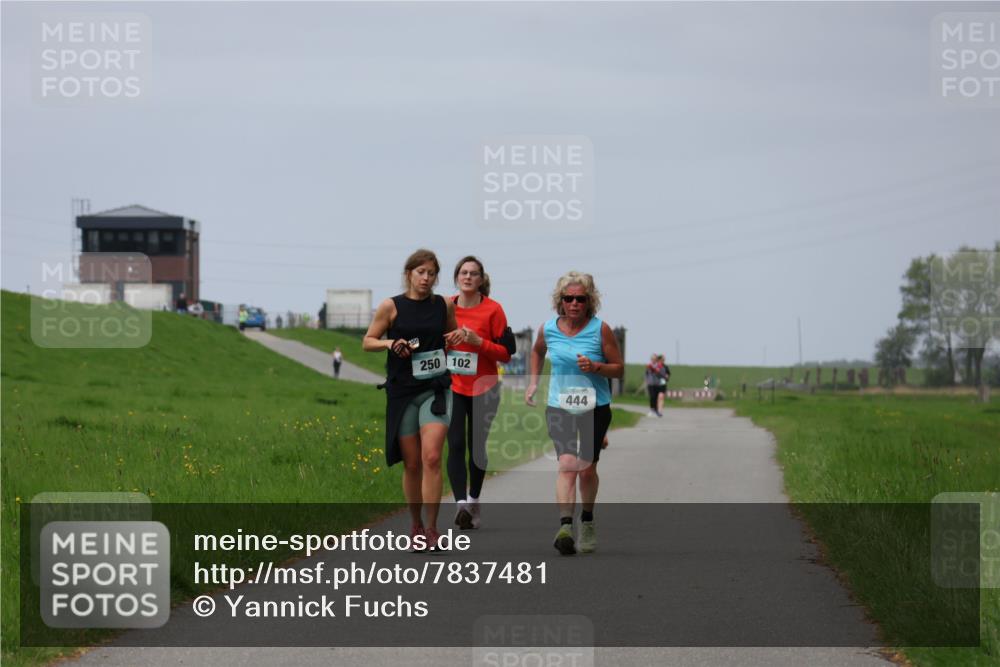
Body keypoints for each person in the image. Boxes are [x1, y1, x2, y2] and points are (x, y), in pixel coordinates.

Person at [363, 249, 459, 551]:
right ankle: (415, 525)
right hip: (403, 392)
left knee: (432, 457)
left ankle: (432, 529)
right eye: (421, 272)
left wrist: (455, 341)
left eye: (431, 273)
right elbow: (368, 341)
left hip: (436, 389)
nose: (426, 278)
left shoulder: (444, 305)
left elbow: (452, 336)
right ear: (409, 274)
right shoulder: (391, 306)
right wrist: (391, 343)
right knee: (413, 463)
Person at [525, 271, 623, 555]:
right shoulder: (548, 328)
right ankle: (565, 526)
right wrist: (533, 382)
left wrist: (596, 367)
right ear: (561, 301)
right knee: (567, 464)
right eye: (569, 298)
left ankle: (588, 519)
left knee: (587, 469)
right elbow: (536, 352)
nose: (575, 304)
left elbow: (619, 368)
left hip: (595, 406)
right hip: (559, 404)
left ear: (589, 301)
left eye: (581, 299)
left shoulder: (600, 329)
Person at [446, 256, 512, 530]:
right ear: (457, 277)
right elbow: (432, 344)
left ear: (482, 279)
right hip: (453, 386)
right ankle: (461, 504)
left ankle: (474, 499)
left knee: (476, 445)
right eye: (464, 272)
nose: (468, 277)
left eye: (474, 273)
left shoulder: (494, 310)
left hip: (484, 388)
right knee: (456, 443)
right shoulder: (446, 307)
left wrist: (479, 342)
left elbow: (507, 353)